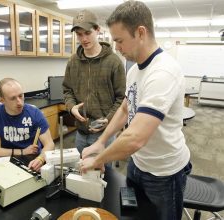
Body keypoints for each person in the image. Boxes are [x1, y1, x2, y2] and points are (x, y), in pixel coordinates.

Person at [81, 1, 192, 220]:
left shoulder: (163, 71)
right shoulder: (134, 71)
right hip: (138, 164)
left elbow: (134, 138)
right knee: (135, 215)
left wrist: (97, 159)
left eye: (120, 41)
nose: (117, 48)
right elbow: (124, 109)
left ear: (140, 32)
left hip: (164, 173)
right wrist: (101, 141)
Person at [63, 9, 126, 155]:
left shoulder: (114, 61)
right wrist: (71, 107)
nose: (83, 39)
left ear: (97, 30)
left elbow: (122, 98)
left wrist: (108, 119)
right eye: (79, 34)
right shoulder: (73, 61)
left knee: (103, 175)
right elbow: (67, 90)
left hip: (104, 135)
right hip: (80, 133)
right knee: (80, 172)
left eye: (87, 33)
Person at [0, 78, 54, 172]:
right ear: (2, 100)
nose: (19, 102)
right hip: (8, 159)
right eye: (13, 98)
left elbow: (50, 144)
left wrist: (40, 159)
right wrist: (22, 151)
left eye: (21, 96)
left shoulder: (34, 113)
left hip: (33, 159)